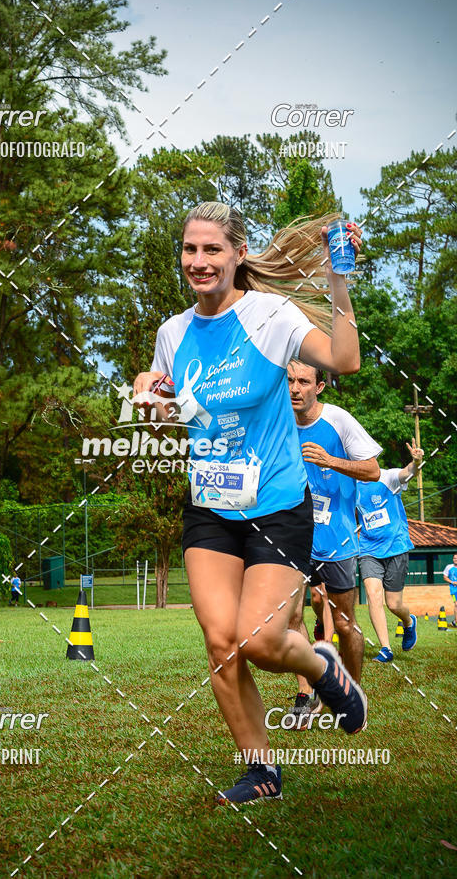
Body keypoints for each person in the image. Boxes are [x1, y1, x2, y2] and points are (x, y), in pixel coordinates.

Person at [133, 202, 367, 804]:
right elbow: (155, 385)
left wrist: (340, 276)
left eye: (212, 250)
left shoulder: (269, 315)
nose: (199, 261)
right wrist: (146, 398)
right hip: (209, 509)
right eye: (190, 250)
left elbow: (345, 360)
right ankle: (261, 770)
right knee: (220, 642)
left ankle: (321, 668)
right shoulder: (173, 332)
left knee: (260, 642)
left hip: (277, 506)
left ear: (238, 254)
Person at [285, 360, 381, 726]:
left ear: (319, 387)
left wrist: (330, 460)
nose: (295, 388)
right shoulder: (277, 419)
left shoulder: (338, 420)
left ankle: (350, 694)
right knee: (292, 618)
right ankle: (305, 694)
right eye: (291, 380)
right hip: (293, 537)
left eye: (304, 382)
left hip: (336, 539)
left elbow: (371, 470)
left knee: (344, 624)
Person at [357, 439, 422, 661]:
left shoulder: (387, 477)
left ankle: (408, 621)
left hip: (396, 546)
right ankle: (386, 649)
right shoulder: (350, 485)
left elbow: (406, 473)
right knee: (373, 595)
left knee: (394, 604)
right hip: (368, 548)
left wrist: (416, 461)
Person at [442, 553, 457, 627]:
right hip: (454, 590)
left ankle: (455, 621)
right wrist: (452, 582)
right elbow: (445, 577)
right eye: (454, 558)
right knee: (456, 604)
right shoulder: (449, 567)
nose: (456, 560)